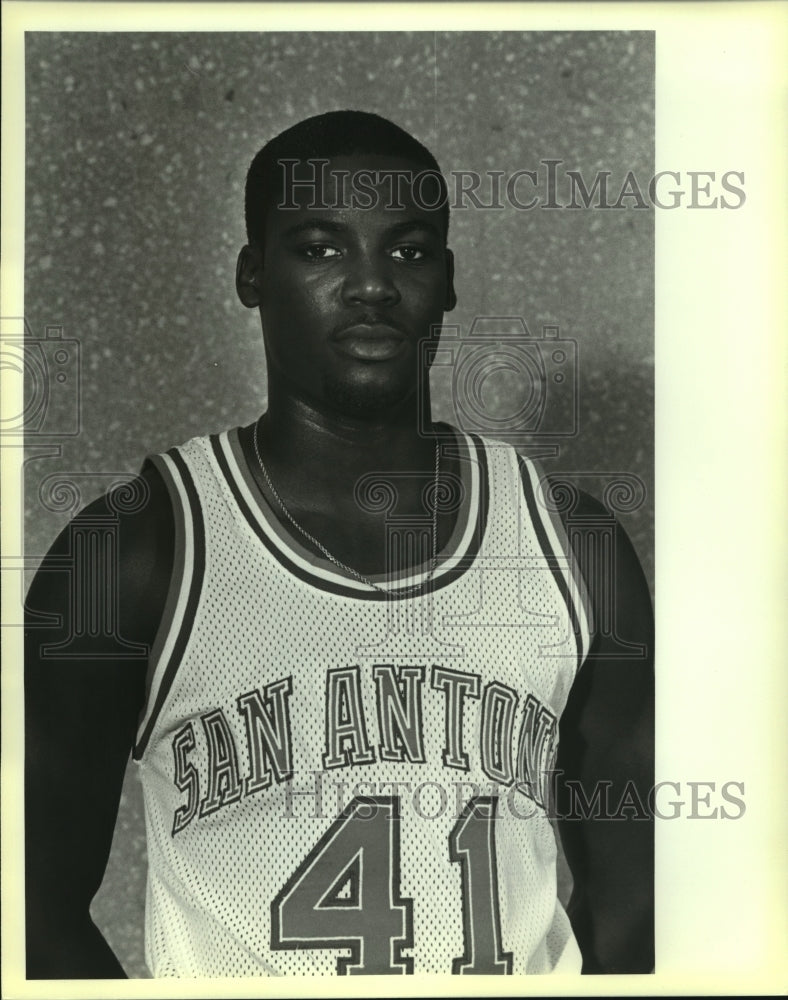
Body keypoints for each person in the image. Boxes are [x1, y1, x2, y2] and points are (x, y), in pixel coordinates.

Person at [24, 110, 654, 977]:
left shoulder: (571, 545)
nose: (371, 285)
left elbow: (637, 901)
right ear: (252, 274)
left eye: (409, 250)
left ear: (448, 279)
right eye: (321, 248)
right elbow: (26, 905)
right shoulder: (132, 551)